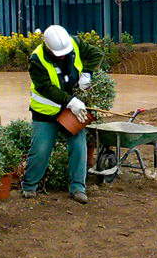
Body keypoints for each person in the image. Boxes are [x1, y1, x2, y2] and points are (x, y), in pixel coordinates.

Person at [22, 24, 103, 204]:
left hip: (71, 110)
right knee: (40, 149)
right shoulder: (36, 60)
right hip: (46, 111)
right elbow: (45, 88)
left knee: (79, 146)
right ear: (48, 49)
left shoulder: (73, 43)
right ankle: (29, 186)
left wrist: (87, 73)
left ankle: (77, 188)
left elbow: (96, 54)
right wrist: (70, 101)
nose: (64, 55)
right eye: (59, 53)